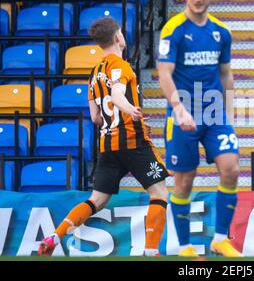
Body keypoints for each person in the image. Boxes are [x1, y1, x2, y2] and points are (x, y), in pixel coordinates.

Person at [38, 18, 169, 257]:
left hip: (106, 145)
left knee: (96, 200)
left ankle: (54, 236)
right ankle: (151, 250)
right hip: (132, 141)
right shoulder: (122, 66)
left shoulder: (94, 73)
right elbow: (117, 94)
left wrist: (120, 113)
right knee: (159, 193)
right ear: (118, 37)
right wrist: (130, 110)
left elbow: (96, 116)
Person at [157, 0, 241, 257]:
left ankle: (219, 239)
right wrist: (179, 109)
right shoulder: (173, 30)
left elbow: (226, 73)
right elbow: (164, 74)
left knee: (231, 169)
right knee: (184, 182)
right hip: (183, 116)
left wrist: (228, 113)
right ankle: (184, 247)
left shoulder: (222, 32)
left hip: (215, 113)